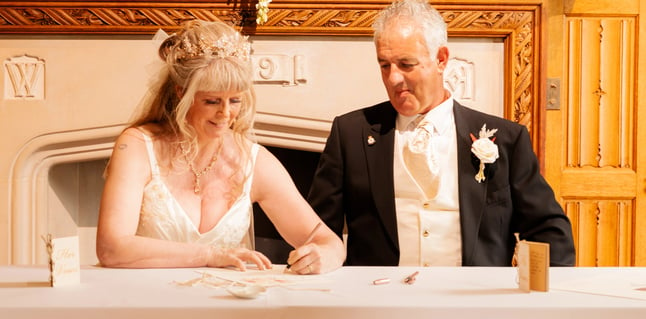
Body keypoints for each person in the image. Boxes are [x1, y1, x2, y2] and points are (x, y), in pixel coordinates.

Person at [307, 0, 575, 267]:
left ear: (441, 59)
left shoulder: (506, 139)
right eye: (384, 65)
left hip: (472, 302)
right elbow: (317, 230)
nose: (393, 79)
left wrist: (533, 299)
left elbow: (549, 231)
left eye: (406, 64)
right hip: (379, 301)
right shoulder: (350, 134)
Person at [96, 19, 345, 275]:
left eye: (235, 100)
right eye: (212, 101)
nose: (226, 114)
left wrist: (325, 254)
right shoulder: (137, 146)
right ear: (182, 93)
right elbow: (111, 248)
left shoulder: (254, 161)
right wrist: (210, 255)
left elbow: (329, 242)